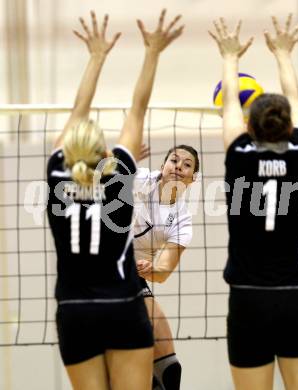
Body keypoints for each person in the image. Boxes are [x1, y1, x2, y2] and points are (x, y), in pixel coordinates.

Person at [47, 9, 183, 390]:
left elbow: (77, 113)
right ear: (104, 153)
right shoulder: (120, 174)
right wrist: (152, 52)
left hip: (75, 312)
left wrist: (95, 57)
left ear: (68, 150)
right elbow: (137, 108)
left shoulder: (57, 176)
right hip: (122, 308)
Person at [209, 14, 298, 390]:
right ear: (289, 127)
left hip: (248, 301)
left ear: (249, 127)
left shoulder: (238, 154)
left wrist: (230, 58)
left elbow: (228, 111)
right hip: (296, 299)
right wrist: (284, 54)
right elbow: (296, 100)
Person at [134, 144, 200, 390]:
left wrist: (149, 268)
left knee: (169, 370)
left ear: (193, 178)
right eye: (174, 160)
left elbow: (163, 272)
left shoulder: (182, 220)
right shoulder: (138, 180)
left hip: (132, 277)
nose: (179, 167)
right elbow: (105, 162)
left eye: (187, 165)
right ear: (162, 167)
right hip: (98, 269)